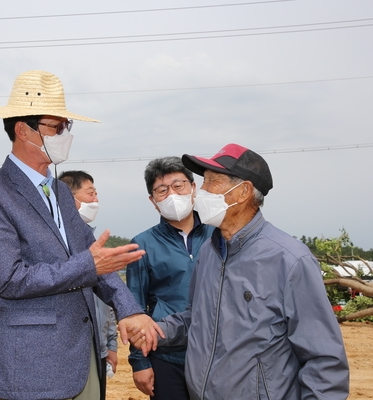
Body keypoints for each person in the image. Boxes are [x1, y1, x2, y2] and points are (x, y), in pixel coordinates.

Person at [0, 70, 160, 400]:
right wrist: (89, 265)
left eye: (65, 127)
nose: (63, 135)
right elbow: (10, 279)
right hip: (33, 363)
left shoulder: (57, 190)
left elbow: (91, 255)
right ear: (23, 130)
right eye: (56, 127)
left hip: (80, 350)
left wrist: (129, 309)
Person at [121, 143, 350, 399]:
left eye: (212, 183)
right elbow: (196, 319)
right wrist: (154, 330)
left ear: (242, 192)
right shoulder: (210, 252)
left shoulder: (289, 260)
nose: (202, 192)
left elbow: (324, 359)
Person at [125, 157, 214, 399]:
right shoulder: (142, 244)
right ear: (153, 201)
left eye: (179, 185)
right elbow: (134, 307)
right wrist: (139, 363)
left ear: (193, 188)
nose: (172, 194)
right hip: (166, 355)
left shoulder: (218, 234)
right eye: (162, 190)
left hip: (218, 354)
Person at [58, 170, 118, 400]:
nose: (96, 201)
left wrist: (110, 345)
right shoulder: (53, 248)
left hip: (97, 350)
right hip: (65, 351)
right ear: (67, 198)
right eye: (90, 193)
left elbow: (106, 302)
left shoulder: (94, 245)